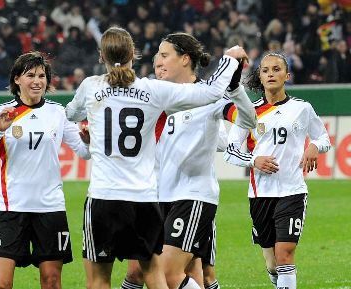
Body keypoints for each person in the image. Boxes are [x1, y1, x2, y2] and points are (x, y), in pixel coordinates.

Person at [65, 26, 248, 289]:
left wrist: (90, 127)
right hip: (144, 198)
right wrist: (229, 58)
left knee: (99, 281)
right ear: (134, 55)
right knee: (154, 275)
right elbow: (209, 93)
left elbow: (71, 114)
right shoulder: (152, 90)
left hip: (104, 196)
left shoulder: (90, 87)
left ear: (100, 56)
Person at [0, 51, 91, 289]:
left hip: (50, 207)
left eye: (42, 76)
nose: (37, 81)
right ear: (17, 79)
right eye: (30, 75)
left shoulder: (58, 112)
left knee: (52, 282)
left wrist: (87, 141)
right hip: (10, 207)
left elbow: (84, 153)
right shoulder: (3, 112)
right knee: (1, 284)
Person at [156, 33, 256, 289]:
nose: (159, 60)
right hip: (162, 196)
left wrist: (234, 89)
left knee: (167, 273)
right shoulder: (162, 98)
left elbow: (247, 121)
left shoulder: (209, 99)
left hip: (193, 196)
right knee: (193, 272)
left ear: (185, 59)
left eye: (165, 55)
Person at [223, 52, 331, 289]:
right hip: (260, 195)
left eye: (276, 69)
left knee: (285, 254)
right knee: (272, 264)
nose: (271, 74)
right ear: (260, 77)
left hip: (292, 191)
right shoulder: (248, 112)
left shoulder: (302, 108)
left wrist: (314, 146)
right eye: (265, 70)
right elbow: (230, 151)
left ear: (287, 75)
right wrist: (254, 160)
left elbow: (323, 137)